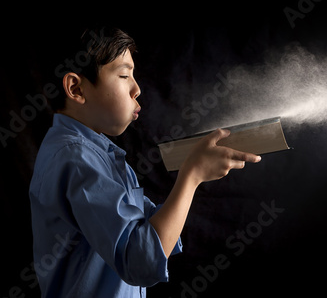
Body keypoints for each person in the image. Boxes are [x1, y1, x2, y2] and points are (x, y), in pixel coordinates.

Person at [29, 26, 261, 297]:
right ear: (76, 88)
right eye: (124, 75)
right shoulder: (77, 159)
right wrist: (191, 176)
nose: (137, 89)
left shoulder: (96, 153)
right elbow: (140, 260)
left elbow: (149, 233)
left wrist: (195, 164)